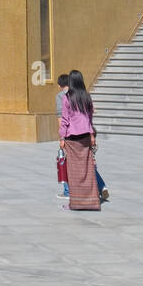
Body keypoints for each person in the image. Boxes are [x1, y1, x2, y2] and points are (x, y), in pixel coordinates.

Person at [55, 73, 109, 202]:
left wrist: (62, 137)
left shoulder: (67, 97)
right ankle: (93, 194)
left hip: (72, 136)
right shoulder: (87, 96)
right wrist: (91, 135)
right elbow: (90, 117)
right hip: (86, 135)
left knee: (73, 168)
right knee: (88, 165)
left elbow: (64, 119)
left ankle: (76, 196)